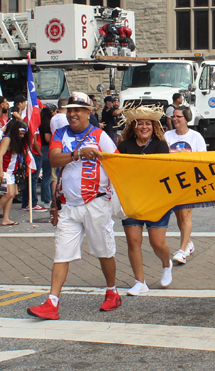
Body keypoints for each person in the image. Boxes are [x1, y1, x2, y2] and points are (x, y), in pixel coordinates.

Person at [27, 92, 122, 320]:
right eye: (69, 110)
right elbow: (54, 159)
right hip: (68, 206)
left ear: (88, 112)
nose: (72, 114)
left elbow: (117, 162)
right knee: (61, 253)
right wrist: (79, 153)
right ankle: (52, 302)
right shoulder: (61, 133)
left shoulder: (100, 135)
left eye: (77, 110)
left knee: (104, 251)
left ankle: (112, 291)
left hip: (96, 202)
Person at [117, 105, 173, 296]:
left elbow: (161, 172)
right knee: (133, 242)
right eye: (140, 123)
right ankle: (140, 282)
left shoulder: (160, 145)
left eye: (147, 123)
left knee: (157, 243)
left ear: (153, 126)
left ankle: (167, 264)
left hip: (156, 200)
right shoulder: (124, 146)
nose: (144, 127)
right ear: (133, 126)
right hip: (132, 200)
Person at [165, 106, 207, 264]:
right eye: (173, 116)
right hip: (172, 181)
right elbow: (162, 155)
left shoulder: (196, 137)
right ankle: (188, 243)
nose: (175, 119)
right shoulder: (167, 135)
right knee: (178, 216)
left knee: (185, 215)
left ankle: (182, 251)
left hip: (190, 181)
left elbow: (202, 160)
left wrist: (175, 154)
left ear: (186, 118)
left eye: (178, 116)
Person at [0, 120, 30, 225]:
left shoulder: (15, 140)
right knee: (9, 194)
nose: (22, 136)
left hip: (10, 171)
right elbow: (0, 154)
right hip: (4, 170)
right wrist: (0, 171)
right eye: (20, 133)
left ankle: (5, 219)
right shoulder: (7, 138)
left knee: (11, 195)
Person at [39, 104, 58, 208]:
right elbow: (47, 138)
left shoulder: (42, 121)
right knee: (48, 176)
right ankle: (47, 198)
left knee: (47, 175)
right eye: (55, 111)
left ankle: (47, 197)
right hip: (46, 148)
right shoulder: (47, 123)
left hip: (43, 148)